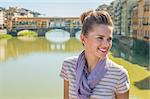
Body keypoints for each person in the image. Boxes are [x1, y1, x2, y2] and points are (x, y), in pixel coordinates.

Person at [60, 10, 130, 99]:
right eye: (100, 38)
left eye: (109, 39)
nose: (106, 44)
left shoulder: (119, 75)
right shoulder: (68, 66)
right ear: (83, 38)